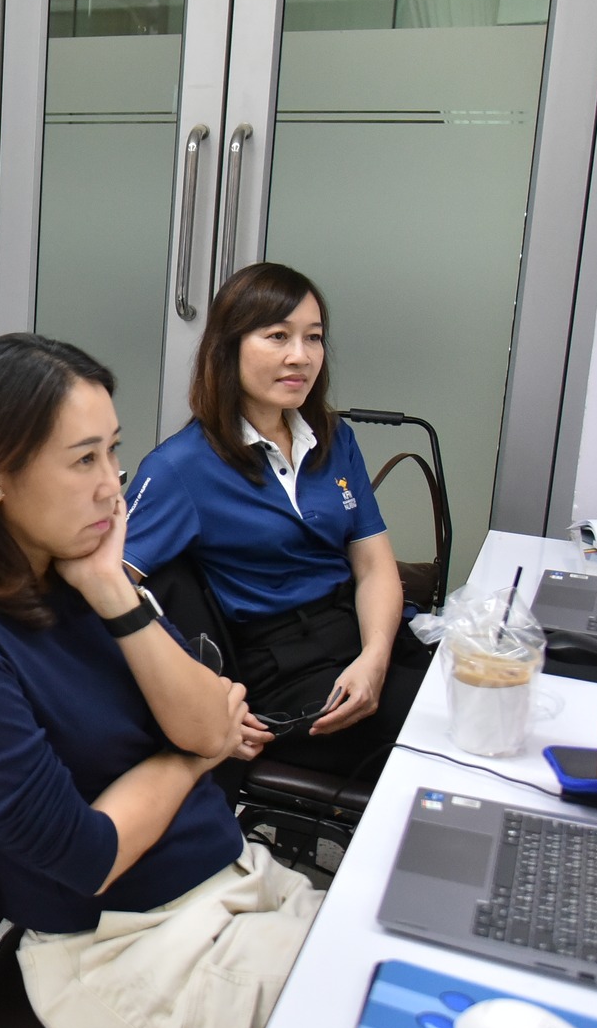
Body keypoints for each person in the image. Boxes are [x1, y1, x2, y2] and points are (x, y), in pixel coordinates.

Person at [0, 333, 315, 1028]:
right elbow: (87, 852)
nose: (114, 485)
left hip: (231, 885)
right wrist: (191, 759)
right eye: (84, 459)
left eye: (113, 451)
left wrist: (114, 592)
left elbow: (210, 723)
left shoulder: (81, 572)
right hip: (125, 952)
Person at [122, 262, 420, 780]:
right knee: (450, 734)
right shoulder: (180, 467)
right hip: (285, 673)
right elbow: (104, 596)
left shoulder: (333, 438)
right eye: (278, 336)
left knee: (496, 692)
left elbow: (374, 565)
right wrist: (204, 702)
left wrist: (375, 657)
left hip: (361, 636)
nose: (300, 356)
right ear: (228, 347)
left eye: (314, 337)